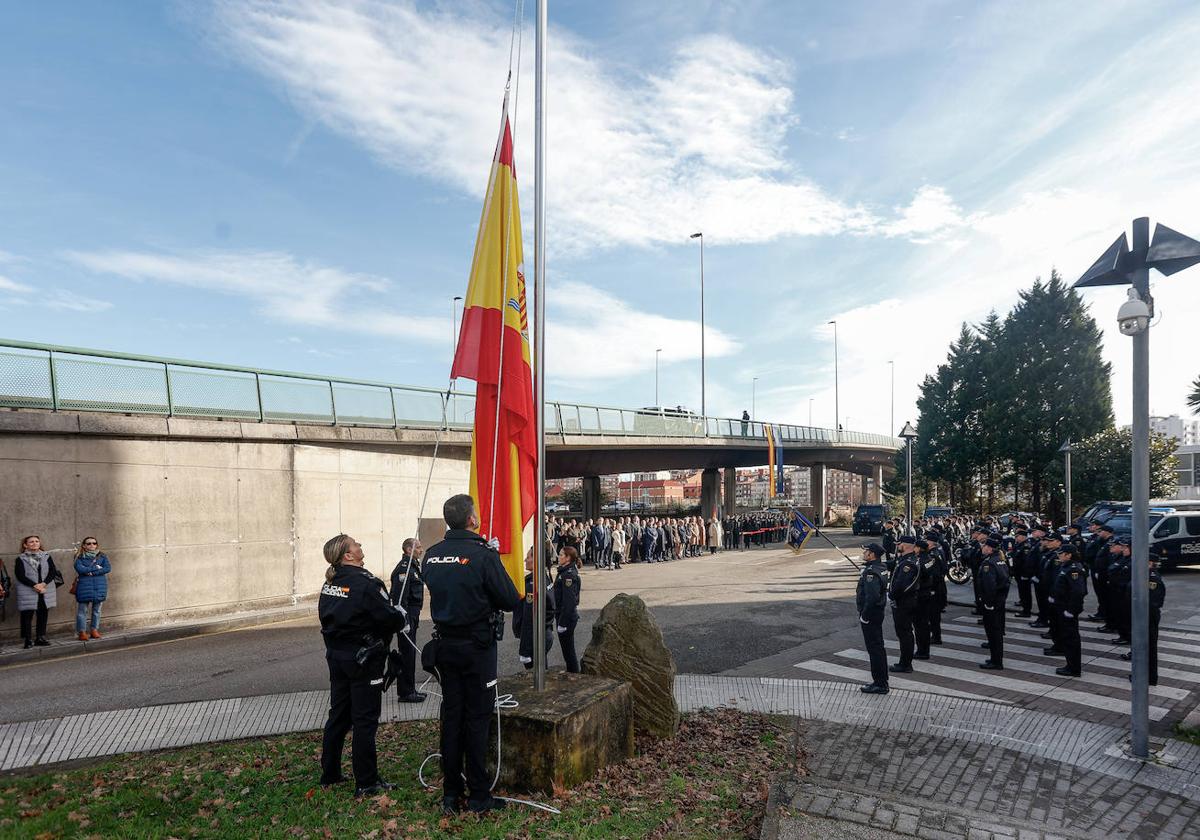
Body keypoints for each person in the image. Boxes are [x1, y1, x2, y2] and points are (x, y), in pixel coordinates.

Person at [421, 494, 522, 815]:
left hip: (446, 646)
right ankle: (479, 795)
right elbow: (509, 599)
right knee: (477, 719)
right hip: (477, 649)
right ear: (471, 519)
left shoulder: (432, 555)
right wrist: (494, 561)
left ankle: (451, 792)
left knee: (452, 717)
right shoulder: (483, 555)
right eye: (476, 512)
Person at [318, 533, 410, 797]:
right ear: (348, 555)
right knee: (365, 720)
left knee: (339, 715)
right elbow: (386, 616)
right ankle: (367, 782)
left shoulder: (331, 583)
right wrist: (399, 617)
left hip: (337, 658)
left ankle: (331, 773)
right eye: (355, 545)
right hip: (364, 660)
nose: (360, 547)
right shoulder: (366, 583)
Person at [389, 537, 426, 704]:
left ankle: (410, 688)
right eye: (418, 547)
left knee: (410, 654)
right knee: (407, 654)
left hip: (413, 615)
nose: (421, 549)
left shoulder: (413, 566)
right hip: (406, 616)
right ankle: (405, 693)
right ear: (409, 550)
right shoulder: (403, 569)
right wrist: (404, 621)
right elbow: (398, 599)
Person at [513, 546, 555, 670]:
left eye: (529, 557)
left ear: (537, 560)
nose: (525, 560)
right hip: (543, 634)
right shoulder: (542, 577)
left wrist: (525, 650)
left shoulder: (533, 584)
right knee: (543, 674)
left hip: (536, 638)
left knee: (536, 679)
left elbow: (529, 619)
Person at [15, 535, 60, 649]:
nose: (34, 543)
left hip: (45, 589)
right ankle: (28, 639)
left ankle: (40, 637)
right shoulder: (21, 558)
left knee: (43, 614)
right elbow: (20, 575)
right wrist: (34, 585)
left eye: (37, 541)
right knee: (27, 616)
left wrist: (43, 584)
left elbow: (52, 571)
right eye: (31, 542)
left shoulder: (46, 556)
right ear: (25, 545)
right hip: (28, 589)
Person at [1050, 543, 1087, 677]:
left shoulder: (1073, 569)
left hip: (1068, 609)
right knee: (1067, 638)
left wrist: (1071, 610)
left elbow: (1078, 592)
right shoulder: (1066, 566)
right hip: (1062, 607)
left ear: (1069, 555)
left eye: (1061, 554)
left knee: (1071, 639)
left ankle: (1073, 668)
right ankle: (1070, 665)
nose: (1059, 556)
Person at [857, 543, 889, 694]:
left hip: (871, 615)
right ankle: (881, 681)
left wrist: (865, 615)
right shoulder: (880, 568)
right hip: (877, 613)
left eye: (866, 551)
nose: (864, 553)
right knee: (878, 648)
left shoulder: (871, 572)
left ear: (872, 555)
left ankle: (880, 683)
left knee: (875, 649)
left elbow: (872, 597)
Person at [888, 536, 921, 674]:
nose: (897, 545)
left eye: (899, 543)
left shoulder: (908, 563)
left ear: (906, 545)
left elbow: (902, 585)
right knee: (904, 633)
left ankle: (905, 664)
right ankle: (905, 662)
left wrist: (892, 595)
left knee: (905, 633)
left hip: (904, 602)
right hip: (906, 601)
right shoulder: (906, 559)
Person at [977, 538, 1009, 670]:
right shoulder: (1000, 560)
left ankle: (996, 661)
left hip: (992, 602)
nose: (982, 547)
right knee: (996, 632)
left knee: (993, 632)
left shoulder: (989, 564)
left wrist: (988, 603)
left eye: (984, 546)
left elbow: (990, 586)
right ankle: (995, 659)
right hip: (1000, 601)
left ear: (990, 548)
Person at [72, 537, 111, 641]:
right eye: (88, 543)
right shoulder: (79, 557)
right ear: (84, 545)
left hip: (99, 586)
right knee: (82, 611)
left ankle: (94, 630)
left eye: (94, 543)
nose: (92, 545)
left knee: (97, 610)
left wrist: (90, 572)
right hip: (84, 586)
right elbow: (80, 569)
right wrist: (97, 568)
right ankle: (82, 632)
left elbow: (107, 568)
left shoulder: (102, 556)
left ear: (97, 545)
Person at [554, 545, 582, 673]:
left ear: (568, 558)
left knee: (568, 649)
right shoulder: (564, 571)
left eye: (561, 555)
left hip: (567, 618)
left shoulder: (568, 575)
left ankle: (574, 674)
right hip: (563, 615)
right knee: (566, 649)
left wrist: (563, 622)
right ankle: (571, 671)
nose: (558, 556)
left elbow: (569, 602)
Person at [1146, 546, 1166, 685]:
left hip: (1149, 616)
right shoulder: (1147, 575)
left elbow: (1153, 601)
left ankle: (1150, 677)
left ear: (1150, 563)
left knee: (1149, 647)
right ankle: (1145, 674)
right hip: (1145, 615)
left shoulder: (1152, 578)